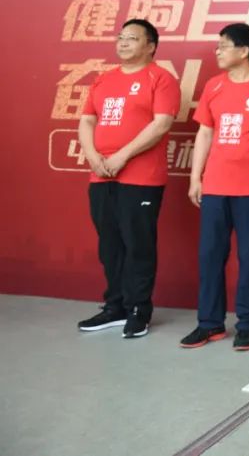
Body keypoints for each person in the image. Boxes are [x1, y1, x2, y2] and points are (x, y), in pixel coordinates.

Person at [182, 23, 249, 351]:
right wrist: (195, 177)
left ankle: (248, 324)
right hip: (215, 185)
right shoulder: (214, 86)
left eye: (224, 46)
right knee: (210, 255)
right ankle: (209, 323)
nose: (218, 51)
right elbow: (205, 133)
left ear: (244, 51)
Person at [77, 18, 180, 338]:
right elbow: (87, 120)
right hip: (101, 174)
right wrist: (93, 157)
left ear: (150, 46)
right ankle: (115, 307)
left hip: (140, 177)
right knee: (109, 244)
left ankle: (139, 310)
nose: (122, 43)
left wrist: (122, 156)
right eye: (120, 37)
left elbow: (161, 124)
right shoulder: (104, 79)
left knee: (138, 245)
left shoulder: (161, 79)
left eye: (132, 38)